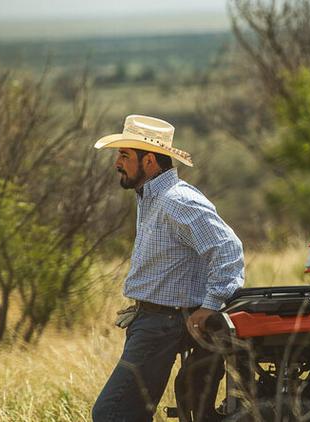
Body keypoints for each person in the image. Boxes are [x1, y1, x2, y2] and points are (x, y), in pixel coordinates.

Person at [91, 114, 244, 421]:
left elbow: (228, 250)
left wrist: (211, 305)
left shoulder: (176, 200)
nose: (116, 163)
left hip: (163, 324)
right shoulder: (151, 197)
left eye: (124, 156)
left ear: (149, 161)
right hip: (153, 320)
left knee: (112, 413)